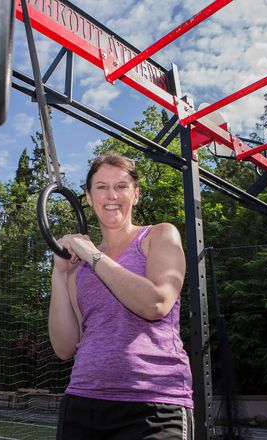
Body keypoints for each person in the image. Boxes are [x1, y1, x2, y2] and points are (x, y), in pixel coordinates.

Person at [49, 152, 193, 439]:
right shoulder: (78, 271)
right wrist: (59, 273)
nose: (111, 195)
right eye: (101, 187)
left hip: (154, 402)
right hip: (84, 400)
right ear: (89, 197)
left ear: (136, 195)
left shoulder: (159, 236)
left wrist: (92, 254)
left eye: (121, 186)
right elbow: (64, 348)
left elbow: (156, 303)